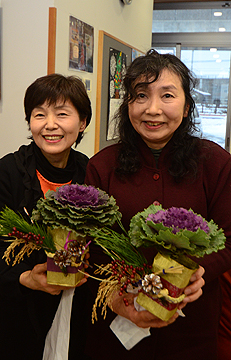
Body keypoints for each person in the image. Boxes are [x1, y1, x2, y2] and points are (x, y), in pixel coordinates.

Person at [81, 50, 231, 360]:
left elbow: (229, 238)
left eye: (167, 95)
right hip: (117, 330)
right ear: (128, 105)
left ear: (187, 105)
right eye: (141, 96)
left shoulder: (216, 163)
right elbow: (93, 246)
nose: (153, 109)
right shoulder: (102, 166)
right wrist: (115, 299)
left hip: (192, 330)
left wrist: (201, 270)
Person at [0, 73, 92, 360]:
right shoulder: (5, 174)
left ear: (82, 122)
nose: (50, 125)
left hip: (75, 310)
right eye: (39, 115)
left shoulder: (91, 174)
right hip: (17, 314)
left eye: (62, 114)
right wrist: (25, 278)